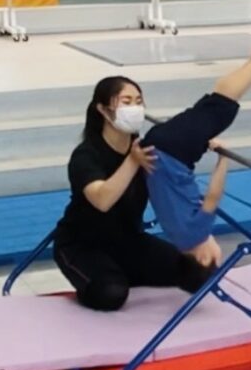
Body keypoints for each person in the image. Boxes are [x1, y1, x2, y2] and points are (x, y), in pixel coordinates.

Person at [53, 76, 213, 312]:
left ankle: (121, 271)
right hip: (81, 244)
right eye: (126, 102)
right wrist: (132, 161)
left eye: (138, 101)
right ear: (103, 109)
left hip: (129, 241)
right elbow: (102, 200)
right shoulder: (86, 155)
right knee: (110, 294)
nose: (135, 108)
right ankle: (108, 276)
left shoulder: (146, 148)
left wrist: (202, 142)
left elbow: (178, 155)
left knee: (199, 273)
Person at [143, 48, 251, 269]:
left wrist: (223, 158)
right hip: (156, 149)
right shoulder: (174, 236)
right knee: (214, 104)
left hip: (173, 150)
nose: (219, 250)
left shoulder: (195, 235)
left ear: (203, 258)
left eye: (218, 257)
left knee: (222, 108)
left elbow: (213, 196)